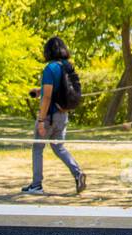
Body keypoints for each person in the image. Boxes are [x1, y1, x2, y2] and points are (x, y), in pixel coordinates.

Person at [23, 36, 86, 195]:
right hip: (63, 114)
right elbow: (56, 90)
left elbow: (47, 97)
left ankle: (36, 185)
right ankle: (78, 173)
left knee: (38, 147)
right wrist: (38, 91)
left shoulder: (50, 68)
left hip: (49, 115)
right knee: (58, 146)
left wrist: (41, 120)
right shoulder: (67, 66)